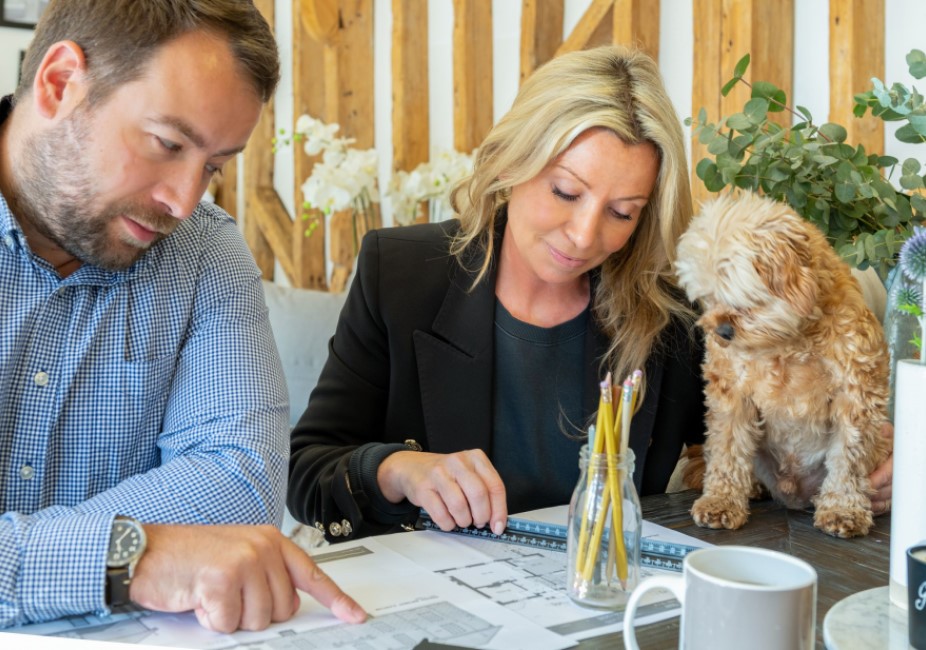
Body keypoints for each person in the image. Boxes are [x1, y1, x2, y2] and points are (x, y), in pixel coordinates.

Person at [289, 44, 895, 544]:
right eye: (564, 191)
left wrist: (885, 465)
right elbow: (308, 468)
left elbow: (771, 423)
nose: (584, 237)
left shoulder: (680, 317)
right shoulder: (400, 272)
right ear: (509, 163)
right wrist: (397, 470)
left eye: (622, 212)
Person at [0, 0, 364, 632]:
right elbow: (179, 541)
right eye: (167, 144)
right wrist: (131, 558)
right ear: (60, 84)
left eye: (215, 167)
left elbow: (240, 485)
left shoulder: (206, 251)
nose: (183, 200)